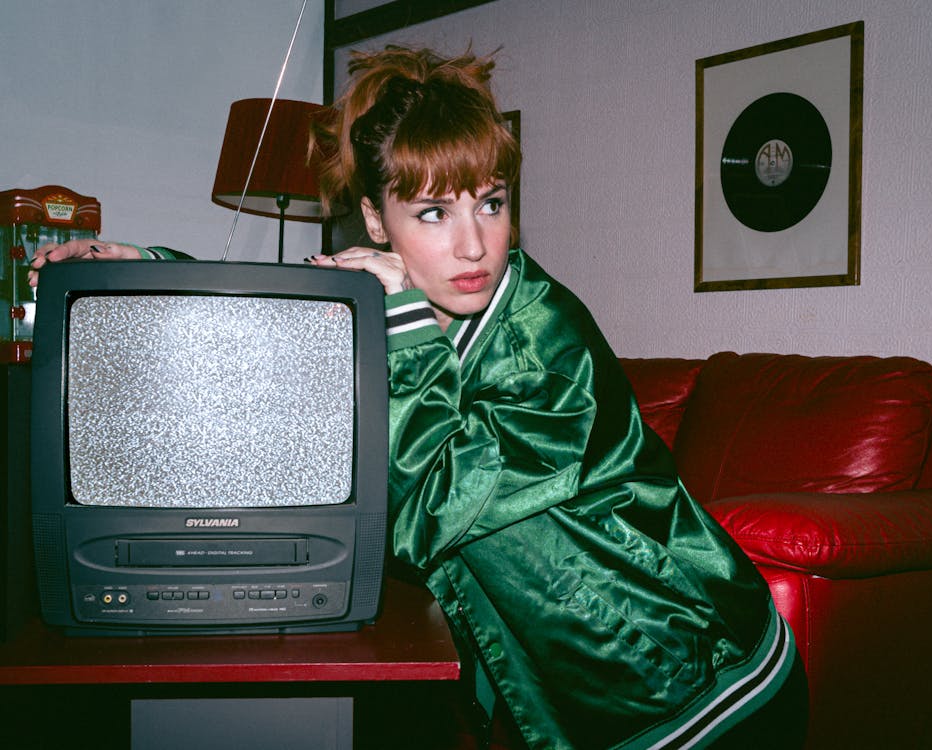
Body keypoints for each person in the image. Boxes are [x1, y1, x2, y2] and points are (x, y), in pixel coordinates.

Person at [29, 45, 807, 750]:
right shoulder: (399, 306)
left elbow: (435, 501)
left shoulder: (545, 337)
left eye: (491, 203)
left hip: (696, 683)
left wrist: (395, 318)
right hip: (587, 700)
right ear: (376, 218)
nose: (474, 245)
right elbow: (273, 324)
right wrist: (139, 264)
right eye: (434, 212)